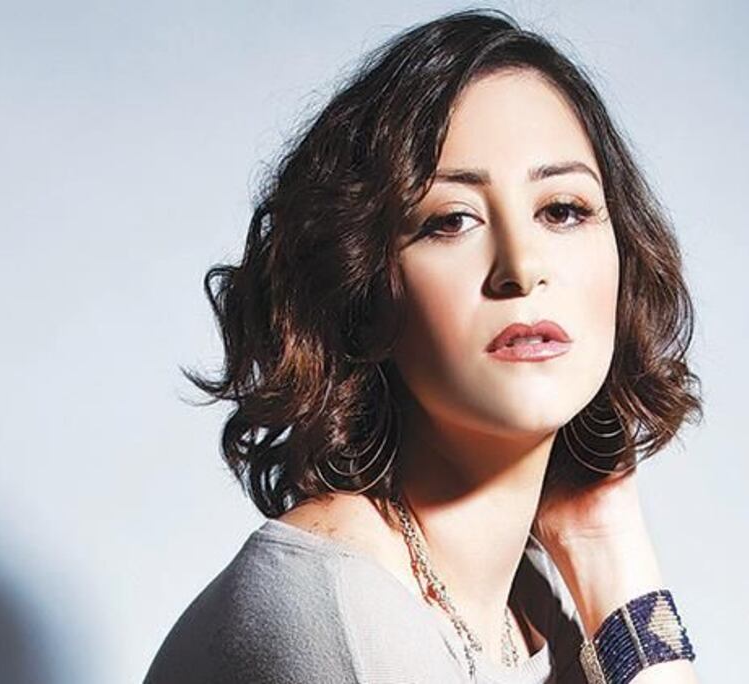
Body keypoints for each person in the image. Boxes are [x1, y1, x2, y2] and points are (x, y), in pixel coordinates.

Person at [145, 8, 703, 683]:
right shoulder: (340, 609)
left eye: (562, 210)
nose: (521, 268)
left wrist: (608, 546)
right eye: (451, 220)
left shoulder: (528, 600)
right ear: (362, 286)